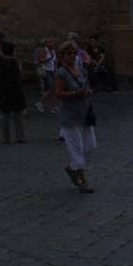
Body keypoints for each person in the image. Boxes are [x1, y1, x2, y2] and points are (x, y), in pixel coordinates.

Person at [55, 40, 96, 192]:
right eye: (69, 53)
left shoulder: (79, 68)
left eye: (74, 53)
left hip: (84, 113)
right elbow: (58, 94)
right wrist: (75, 93)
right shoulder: (61, 73)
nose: (72, 56)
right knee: (76, 148)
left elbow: (86, 85)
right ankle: (82, 181)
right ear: (63, 56)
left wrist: (88, 91)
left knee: (91, 145)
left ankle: (73, 168)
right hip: (70, 116)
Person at [0, 40, 26, 143]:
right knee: (18, 115)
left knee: (5, 114)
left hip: (4, 90)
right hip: (16, 90)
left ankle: (6, 138)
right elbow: (18, 76)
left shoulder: (0, 62)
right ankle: (20, 137)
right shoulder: (15, 62)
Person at [35, 37, 57, 114]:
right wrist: (49, 58)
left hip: (52, 71)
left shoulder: (53, 51)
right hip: (46, 71)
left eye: (51, 41)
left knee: (52, 89)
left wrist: (55, 70)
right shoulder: (44, 50)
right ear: (46, 43)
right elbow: (40, 60)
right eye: (49, 42)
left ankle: (53, 106)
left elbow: (54, 62)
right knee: (51, 89)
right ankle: (40, 103)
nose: (51, 43)